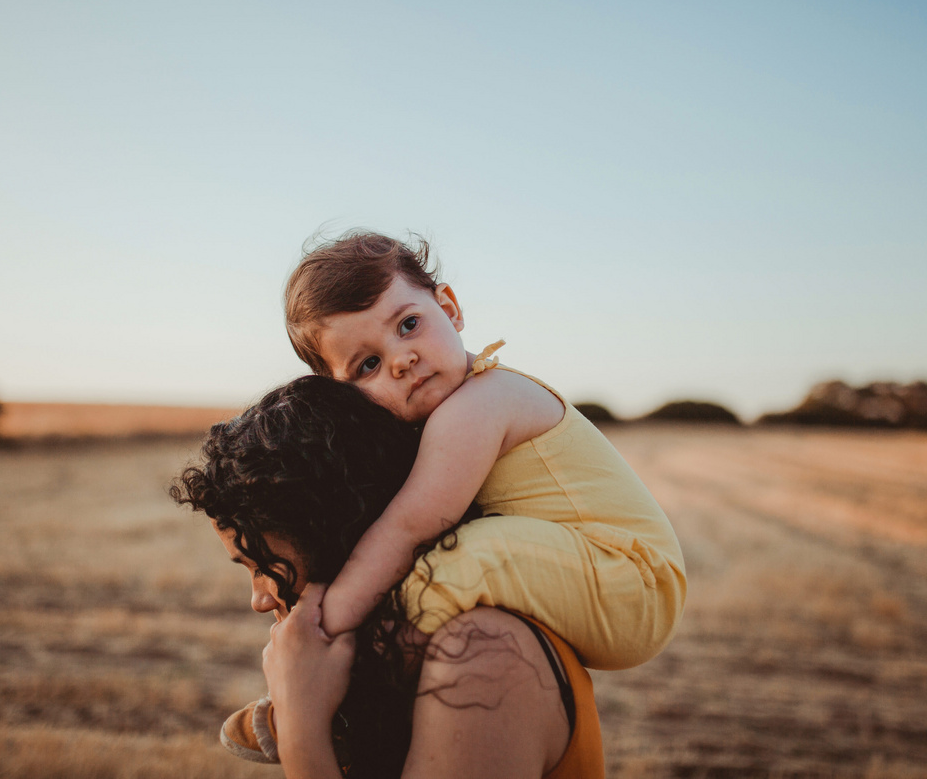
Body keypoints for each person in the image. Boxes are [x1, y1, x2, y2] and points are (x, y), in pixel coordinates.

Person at [283, 230, 687, 669]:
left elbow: (408, 529)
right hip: (599, 576)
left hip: (632, 584)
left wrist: (327, 621)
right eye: (368, 365)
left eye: (408, 325)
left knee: (463, 554)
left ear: (450, 309)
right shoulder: (455, 407)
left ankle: (337, 672)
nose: (401, 360)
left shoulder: (480, 403)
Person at [171, 375, 604, 779]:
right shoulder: (397, 655)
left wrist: (301, 722)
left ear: (339, 538)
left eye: (265, 566)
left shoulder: (482, 656)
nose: (259, 600)